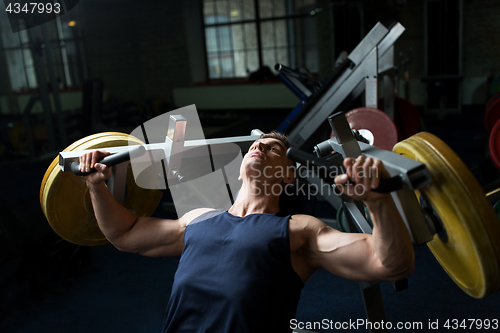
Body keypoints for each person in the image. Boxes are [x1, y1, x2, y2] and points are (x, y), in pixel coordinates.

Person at [78, 131, 414, 333]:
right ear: (238, 171)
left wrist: (379, 202)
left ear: (288, 176)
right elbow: (125, 234)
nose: (260, 148)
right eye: (256, 146)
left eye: (273, 149)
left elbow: (388, 264)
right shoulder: (198, 220)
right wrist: (97, 186)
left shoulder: (298, 231)